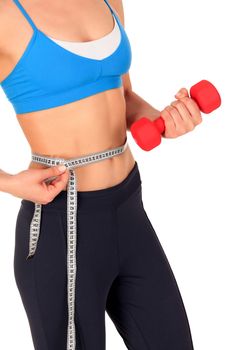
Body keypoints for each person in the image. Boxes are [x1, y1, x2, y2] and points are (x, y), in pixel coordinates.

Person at [0, 1, 202, 349]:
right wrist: (10, 183)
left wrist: (163, 121)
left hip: (129, 210)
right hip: (58, 223)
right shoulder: (6, 14)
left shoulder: (109, 1)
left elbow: (122, 95)